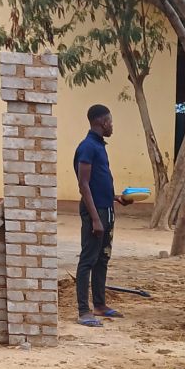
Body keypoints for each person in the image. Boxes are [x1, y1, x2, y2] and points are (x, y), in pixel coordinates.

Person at [74, 104, 133, 327]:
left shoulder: (99, 146)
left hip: (106, 209)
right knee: (88, 259)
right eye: (110, 122)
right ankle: (83, 311)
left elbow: (98, 182)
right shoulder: (88, 147)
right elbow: (84, 184)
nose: (111, 126)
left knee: (102, 259)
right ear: (100, 122)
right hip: (95, 212)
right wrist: (96, 219)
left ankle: (99, 305)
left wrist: (116, 198)